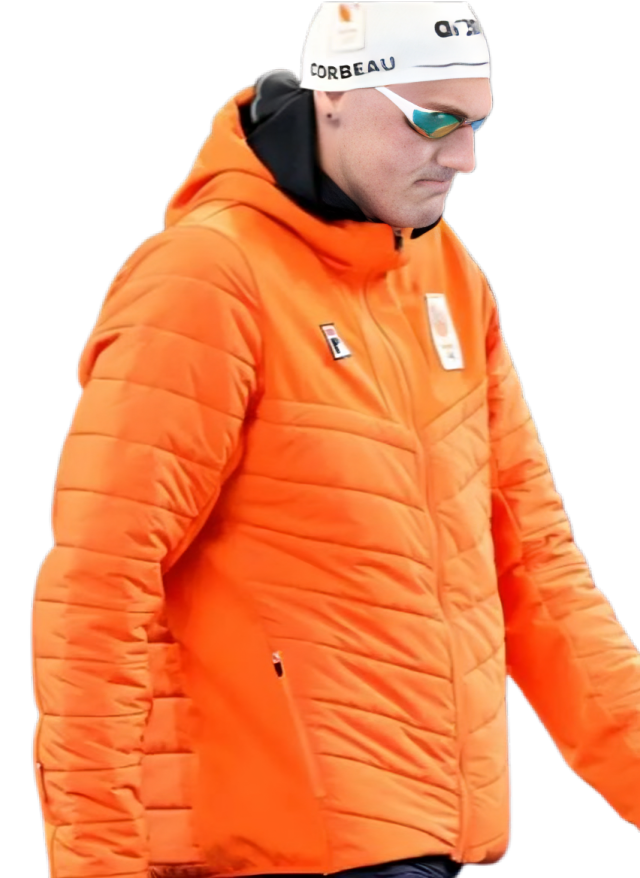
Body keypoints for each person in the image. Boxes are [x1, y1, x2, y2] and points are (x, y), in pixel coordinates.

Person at [30, 3, 640, 878]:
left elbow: (536, 567)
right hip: (270, 853)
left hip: (441, 843)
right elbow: (98, 586)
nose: (464, 158)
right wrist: (97, 863)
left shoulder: (447, 275)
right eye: (434, 121)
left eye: (476, 125)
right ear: (336, 96)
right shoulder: (205, 279)